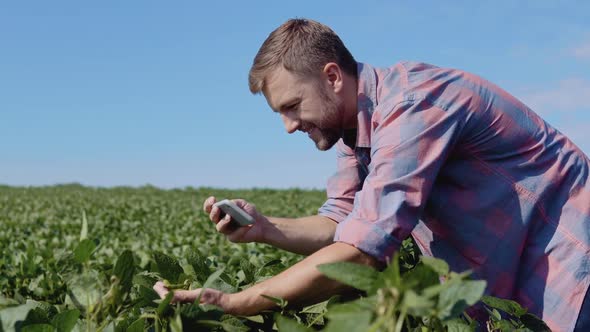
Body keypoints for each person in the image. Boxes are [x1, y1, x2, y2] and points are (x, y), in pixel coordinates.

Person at [154, 18, 590, 331]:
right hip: (530, 288)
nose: (288, 125)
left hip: (572, 268)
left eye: (291, 107)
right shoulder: (355, 132)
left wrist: (239, 302)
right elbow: (340, 222)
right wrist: (266, 229)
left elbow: (364, 249)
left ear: (331, 77)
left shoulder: (412, 106)